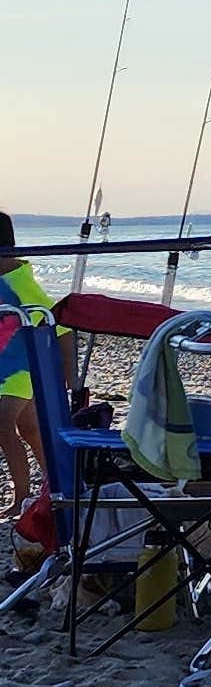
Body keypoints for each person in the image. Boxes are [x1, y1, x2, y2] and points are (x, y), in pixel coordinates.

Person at [0, 214, 60, 513]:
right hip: (7, 364)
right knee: (30, 428)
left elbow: (59, 326)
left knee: (2, 424)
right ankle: (56, 482)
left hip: (24, 366)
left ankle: (22, 496)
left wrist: (68, 378)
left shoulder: (22, 284)